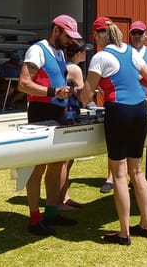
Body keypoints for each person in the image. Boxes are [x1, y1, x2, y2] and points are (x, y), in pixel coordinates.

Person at [79, 16, 147, 245]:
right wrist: (133, 83)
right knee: (137, 172)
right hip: (139, 110)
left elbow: (86, 96)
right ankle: (145, 225)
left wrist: (79, 89)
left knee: (120, 174)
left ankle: (124, 233)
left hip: (119, 112)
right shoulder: (132, 51)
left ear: (99, 35)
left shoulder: (100, 57)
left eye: (94, 35)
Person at [17, 14, 82, 236]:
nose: (70, 41)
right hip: (40, 113)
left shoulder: (60, 52)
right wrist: (53, 92)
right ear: (56, 30)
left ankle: (52, 212)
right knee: (38, 167)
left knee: (57, 163)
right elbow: (24, 84)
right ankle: (35, 219)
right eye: (67, 35)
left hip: (58, 112)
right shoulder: (37, 50)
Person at [100, 20, 147, 195]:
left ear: (145, 35)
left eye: (140, 33)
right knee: (118, 147)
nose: (137, 36)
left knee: (132, 150)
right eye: (134, 33)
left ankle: (132, 178)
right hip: (123, 102)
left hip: (142, 101)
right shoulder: (122, 50)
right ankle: (111, 177)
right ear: (129, 35)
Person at [57, 42, 88, 212]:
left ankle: (63, 196)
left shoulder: (65, 66)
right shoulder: (75, 69)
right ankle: (60, 200)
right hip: (69, 115)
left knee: (64, 161)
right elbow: (84, 97)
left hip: (65, 114)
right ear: (79, 53)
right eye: (84, 52)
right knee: (65, 161)